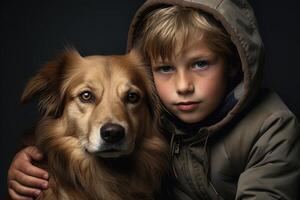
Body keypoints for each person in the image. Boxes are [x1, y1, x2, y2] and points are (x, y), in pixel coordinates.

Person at [8, 0, 300, 199]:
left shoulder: (271, 128)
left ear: (235, 63)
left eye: (201, 64)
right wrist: (31, 160)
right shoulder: (166, 118)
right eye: (165, 68)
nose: (183, 86)